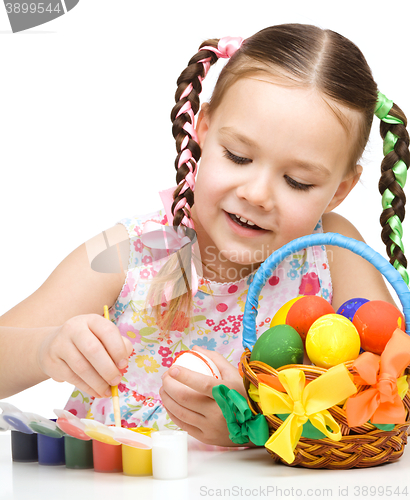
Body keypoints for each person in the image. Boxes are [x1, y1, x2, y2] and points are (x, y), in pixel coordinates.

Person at [0, 24, 408, 447]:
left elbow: (389, 395)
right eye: (238, 156)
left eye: (298, 181)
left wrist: (258, 425)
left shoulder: (333, 252)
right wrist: (44, 349)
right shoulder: (130, 253)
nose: (256, 193)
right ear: (204, 129)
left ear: (339, 190)